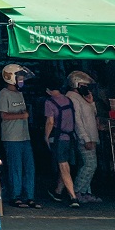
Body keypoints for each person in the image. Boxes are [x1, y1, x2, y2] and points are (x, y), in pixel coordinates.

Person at [0, 64, 41, 209]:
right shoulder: (4, 93)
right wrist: (22, 115)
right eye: (19, 78)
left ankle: (29, 196)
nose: (21, 80)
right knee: (15, 168)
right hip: (11, 137)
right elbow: (3, 115)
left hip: (24, 136)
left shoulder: (19, 93)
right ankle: (15, 196)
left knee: (29, 167)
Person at [44, 75, 79, 207]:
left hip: (59, 139)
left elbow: (50, 122)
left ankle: (73, 197)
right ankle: (58, 192)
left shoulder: (50, 103)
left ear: (49, 90)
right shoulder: (68, 100)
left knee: (63, 167)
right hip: (71, 137)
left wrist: (46, 137)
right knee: (64, 166)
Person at [66, 71, 101, 204]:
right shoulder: (72, 97)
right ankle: (77, 191)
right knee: (90, 165)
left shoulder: (81, 97)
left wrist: (91, 102)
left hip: (92, 136)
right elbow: (77, 120)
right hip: (84, 137)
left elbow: (93, 113)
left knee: (88, 165)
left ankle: (86, 192)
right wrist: (85, 138)